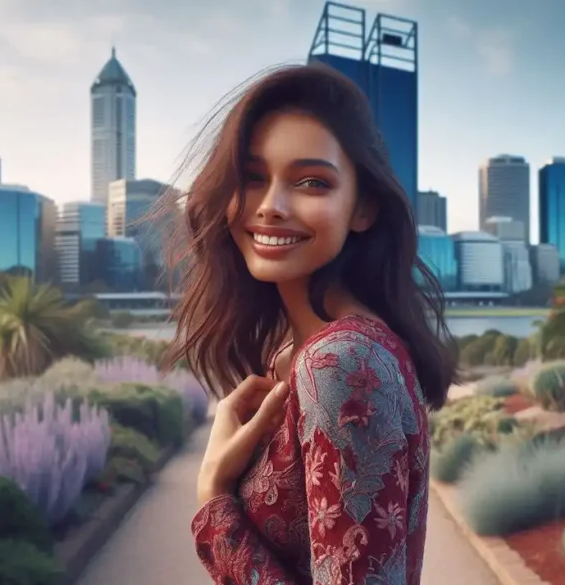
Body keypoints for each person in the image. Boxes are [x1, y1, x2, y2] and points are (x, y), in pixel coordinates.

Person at [157, 63, 459, 584]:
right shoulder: (301, 353)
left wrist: (214, 501)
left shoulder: (341, 362)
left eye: (312, 182)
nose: (271, 207)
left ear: (362, 207)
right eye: (252, 178)